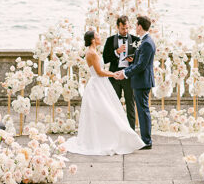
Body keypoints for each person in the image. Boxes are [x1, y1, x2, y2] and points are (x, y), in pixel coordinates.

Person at [64, 29, 144, 155]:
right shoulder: (92, 53)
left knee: (108, 110)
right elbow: (100, 72)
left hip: (100, 84)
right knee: (107, 111)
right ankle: (109, 138)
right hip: (97, 85)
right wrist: (114, 74)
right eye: (97, 36)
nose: (100, 37)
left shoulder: (93, 51)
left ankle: (110, 136)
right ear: (92, 40)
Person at [116, 15, 156, 150]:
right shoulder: (144, 41)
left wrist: (125, 73)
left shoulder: (146, 42)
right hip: (141, 81)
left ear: (140, 26)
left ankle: (146, 141)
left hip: (142, 81)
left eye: (136, 25)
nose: (135, 28)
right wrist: (134, 58)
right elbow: (140, 61)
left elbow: (141, 66)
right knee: (142, 110)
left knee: (143, 111)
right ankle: (145, 139)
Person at [102, 14, 140, 130]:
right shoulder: (110, 40)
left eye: (127, 28)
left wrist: (133, 60)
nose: (125, 30)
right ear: (118, 27)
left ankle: (131, 131)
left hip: (128, 75)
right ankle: (115, 130)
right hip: (114, 76)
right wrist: (116, 52)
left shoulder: (135, 40)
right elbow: (105, 58)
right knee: (114, 104)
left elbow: (140, 59)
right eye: (123, 28)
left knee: (130, 105)